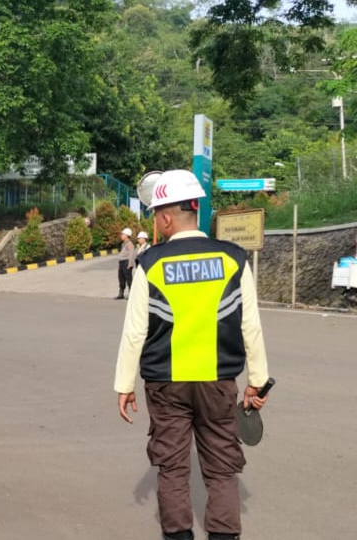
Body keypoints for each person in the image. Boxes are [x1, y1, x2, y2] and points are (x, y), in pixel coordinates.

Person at [113, 170, 271, 540]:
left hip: (165, 384)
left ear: (166, 218)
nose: (155, 222)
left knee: (172, 467)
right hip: (218, 382)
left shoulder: (151, 263)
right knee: (221, 468)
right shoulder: (233, 258)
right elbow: (250, 325)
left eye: (155, 215)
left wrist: (124, 384)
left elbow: (135, 331)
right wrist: (258, 381)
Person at [115, 227, 135, 299]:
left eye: (123, 234)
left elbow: (131, 254)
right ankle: (121, 294)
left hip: (126, 263)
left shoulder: (129, 244)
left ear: (127, 235)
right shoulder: (123, 244)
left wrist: (130, 264)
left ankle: (131, 294)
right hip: (121, 263)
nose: (121, 235)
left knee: (128, 279)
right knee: (121, 278)